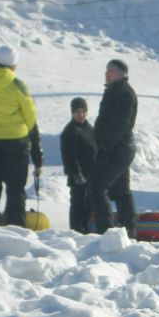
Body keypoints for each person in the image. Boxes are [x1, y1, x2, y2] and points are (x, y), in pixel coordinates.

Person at [0, 45, 42, 226]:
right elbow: (30, 115)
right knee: (15, 185)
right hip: (15, 140)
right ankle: (15, 223)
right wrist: (31, 136)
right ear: (14, 63)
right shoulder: (17, 84)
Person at [89, 59, 138, 237]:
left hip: (118, 149)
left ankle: (105, 231)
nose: (107, 73)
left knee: (96, 187)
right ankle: (129, 232)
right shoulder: (114, 90)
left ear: (121, 74)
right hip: (119, 148)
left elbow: (119, 125)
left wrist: (104, 148)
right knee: (121, 191)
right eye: (107, 70)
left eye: (111, 71)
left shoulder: (123, 93)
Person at [60, 97, 97, 233]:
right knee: (78, 203)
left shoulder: (89, 128)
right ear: (73, 113)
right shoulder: (70, 131)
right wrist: (76, 174)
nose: (81, 115)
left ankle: (87, 228)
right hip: (78, 175)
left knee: (90, 204)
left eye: (83, 111)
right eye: (78, 112)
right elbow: (69, 157)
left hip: (92, 174)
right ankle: (76, 230)